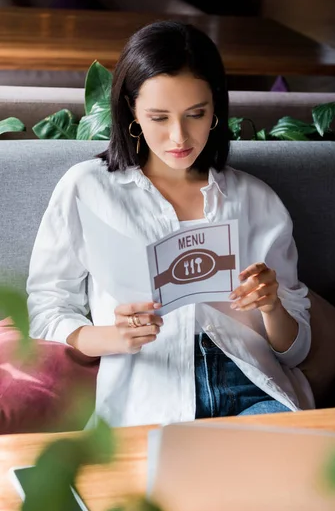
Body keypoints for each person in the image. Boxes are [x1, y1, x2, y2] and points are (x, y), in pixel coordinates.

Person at [27, 21, 313, 427]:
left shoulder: (255, 200)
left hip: (250, 385)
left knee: (281, 476)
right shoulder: (88, 188)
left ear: (216, 108)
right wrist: (110, 336)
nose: (179, 136)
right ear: (131, 111)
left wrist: (271, 306)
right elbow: (47, 307)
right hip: (148, 389)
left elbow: (295, 351)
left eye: (196, 114)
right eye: (158, 117)